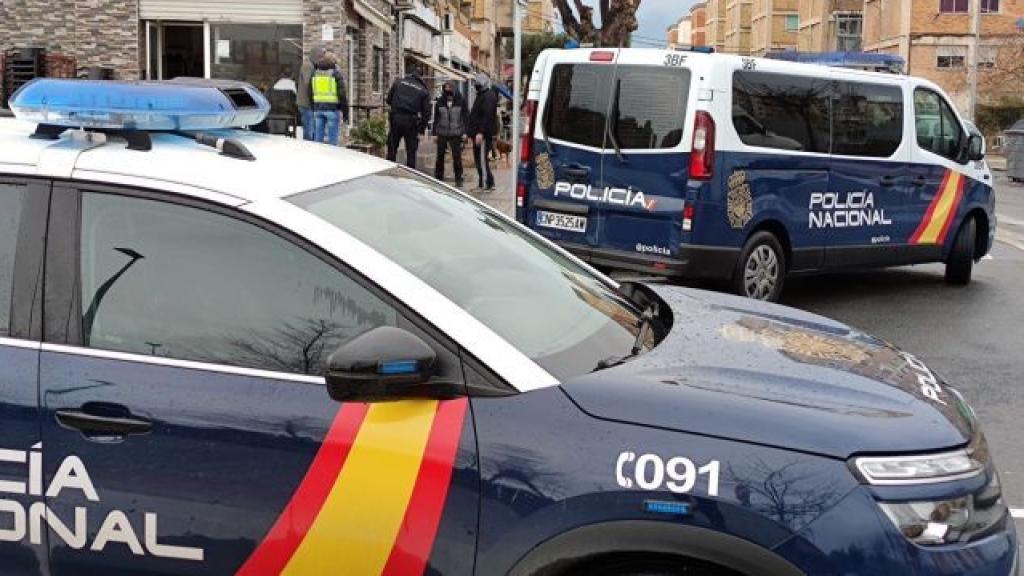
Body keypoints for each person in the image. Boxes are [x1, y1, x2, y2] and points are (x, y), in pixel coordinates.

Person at [386, 68, 431, 170]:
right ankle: (410, 174)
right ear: (421, 76)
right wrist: (421, 129)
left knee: (392, 148)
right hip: (411, 121)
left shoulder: (398, 82)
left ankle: (388, 172)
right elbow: (427, 113)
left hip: (395, 118)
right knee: (411, 151)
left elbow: (388, 100)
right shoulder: (423, 90)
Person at [467, 72, 498, 191]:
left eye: (479, 84)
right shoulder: (482, 95)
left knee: (482, 159)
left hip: (483, 135)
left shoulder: (488, 96)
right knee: (480, 159)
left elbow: (487, 115)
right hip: (478, 134)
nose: (476, 85)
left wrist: (481, 132)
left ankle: (485, 184)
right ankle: (486, 183)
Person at [432, 80, 467, 187]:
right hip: (442, 132)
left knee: (457, 157)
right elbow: (436, 118)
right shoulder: (440, 101)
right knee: (440, 156)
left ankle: (459, 178)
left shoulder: (461, 101)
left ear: (454, 88)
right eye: (446, 88)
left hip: (456, 132)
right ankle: (438, 177)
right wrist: (434, 133)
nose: (448, 90)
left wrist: (465, 132)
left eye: (449, 88)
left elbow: (466, 117)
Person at [310, 53, 349, 146]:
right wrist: (345, 112)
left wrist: (313, 107)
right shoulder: (335, 74)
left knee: (317, 140)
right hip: (332, 109)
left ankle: (317, 157)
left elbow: (310, 91)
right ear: (334, 63)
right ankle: (332, 158)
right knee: (333, 141)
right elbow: (342, 94)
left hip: (318, 109)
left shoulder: (315, 73)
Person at [296, 47, 325, 141]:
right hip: (306, 103)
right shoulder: (308, 66)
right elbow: (309, 83)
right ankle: (308, 148)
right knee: (309, 129)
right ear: (316, 56)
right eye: (321, 57)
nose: (322, 59)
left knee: (311, 128)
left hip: (308, 103)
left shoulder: (312, 66)